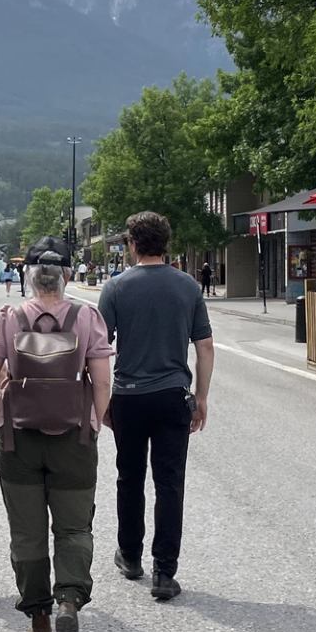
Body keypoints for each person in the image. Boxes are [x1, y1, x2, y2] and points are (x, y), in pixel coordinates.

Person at [0, 235, 112, 632]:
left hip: (19, 441)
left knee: (27, 531)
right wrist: (93, 421)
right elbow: (103, 381)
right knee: (73, 527)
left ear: (29, 276)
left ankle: (38, 620)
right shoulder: (87, 317)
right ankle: (68, 600)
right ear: (67, 275)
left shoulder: (10, 318)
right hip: (73, 438)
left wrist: (1, 415)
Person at [98, 212, 213, 602]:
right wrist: (201, 397)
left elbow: (99, 348)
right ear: (166, 243)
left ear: (132, 244)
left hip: (129, 396)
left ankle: (130, 556)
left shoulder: (116, 287)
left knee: (129, 478)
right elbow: (205, 346)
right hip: (172, 395)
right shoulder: (188, 286)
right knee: (170, 483)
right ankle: (165, 571)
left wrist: (101, 400)